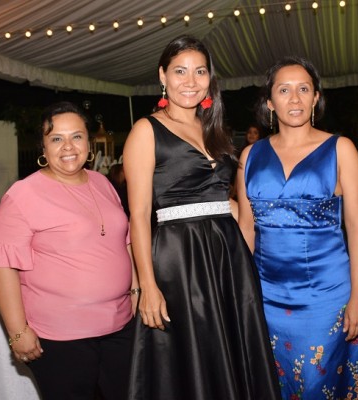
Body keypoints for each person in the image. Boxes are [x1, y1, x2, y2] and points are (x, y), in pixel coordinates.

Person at [123, 35, 281, 400]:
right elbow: (139, 215)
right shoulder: (146, 130)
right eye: (180, 71)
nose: (190, 81)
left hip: (227, 257)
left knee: (231, 350)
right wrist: (147, 286)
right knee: (191, 355)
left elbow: (227, 200)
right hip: (179, 260)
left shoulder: (215, 130)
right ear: (162, 75)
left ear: (210, 79)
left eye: (200, 72)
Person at [237, 56, 358, 398]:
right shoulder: (250, 156)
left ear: (316, 98)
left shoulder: (340, 150)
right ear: (270, 102)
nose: (295, 99)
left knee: (321, 382)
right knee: (271, 382)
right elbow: (246, 231)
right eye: (284, 90)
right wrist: (240, 297)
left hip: (326, 297)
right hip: (266, 296)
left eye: (304, 89)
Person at [0, 101, 139, 400]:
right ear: (43, 147)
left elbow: (125, 242)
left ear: (89, 143)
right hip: (61, 338)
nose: (68, 146)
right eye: (56, 138)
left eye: (76, 136)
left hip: (119, 328)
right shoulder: (22, 195)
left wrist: (135, 290)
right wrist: (17, 332)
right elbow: (2, 267)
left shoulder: (103, 183)